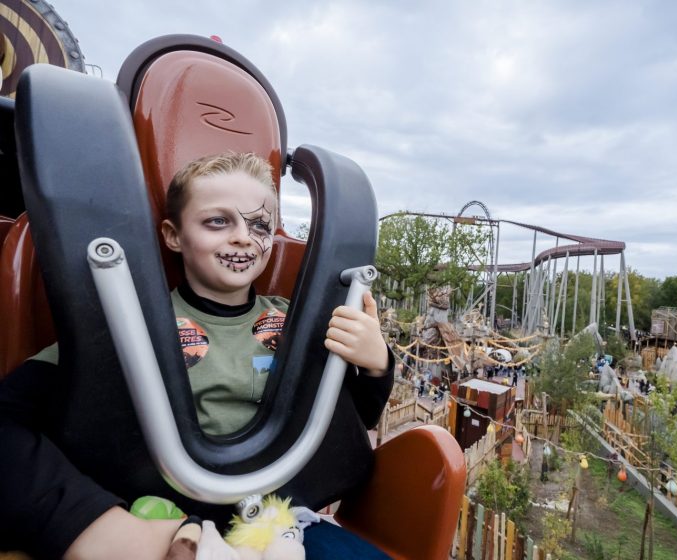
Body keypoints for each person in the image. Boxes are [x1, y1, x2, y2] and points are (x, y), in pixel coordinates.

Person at [0, 152, 393, 559]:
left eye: (259, 224)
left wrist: (376, 363)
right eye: (217, 221)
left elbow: (353, 419)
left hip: (282, 518)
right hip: (166, 521)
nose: (243, 236)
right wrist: (89, 521)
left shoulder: (298, 322)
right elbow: (9, 416)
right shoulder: (130, 323)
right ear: (173, 235)